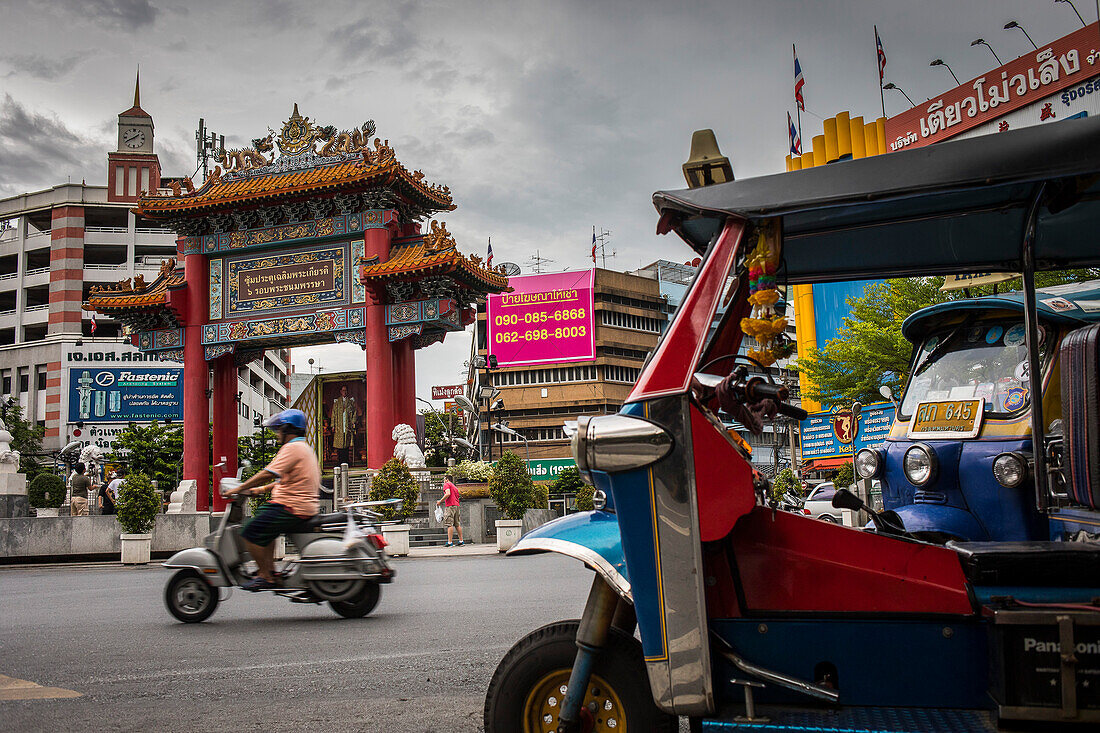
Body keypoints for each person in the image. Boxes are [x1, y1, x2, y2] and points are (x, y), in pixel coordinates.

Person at [223, 409, 320, 591]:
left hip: (292, 507)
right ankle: (269, 571)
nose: (277, 434)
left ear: (287, 429)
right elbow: (283, 481)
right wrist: (257, 490)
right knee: (264, 519)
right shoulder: (304, 448)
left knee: (248, 531)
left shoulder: (292, 448)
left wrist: (239, 488)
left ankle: (265, 575)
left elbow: (268, 473)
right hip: (297, 505)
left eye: (279, 430)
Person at [329, 384, 359, 465]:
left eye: (345, 390)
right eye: (343, 390)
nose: (344, 392)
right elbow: (334, 414)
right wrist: (333, 425)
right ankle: (340, 461)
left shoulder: (350, 401)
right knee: (339, 444)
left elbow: (354, 412)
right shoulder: (337, 402)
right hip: (339, 425)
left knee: (346, 443)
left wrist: (353, 421)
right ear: (340, 392)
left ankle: (346, 461)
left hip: (347, 425)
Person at [436, 473, 464, 547]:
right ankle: (461, 541)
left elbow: (448, 493)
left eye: (444, 479)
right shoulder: (454, 487)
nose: (443, 481)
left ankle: (449, 542)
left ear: (447, 479)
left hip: (450, 506)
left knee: (449, 524)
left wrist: (440, 501)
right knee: (457, 524)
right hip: (456, 505)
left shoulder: (447, 484)